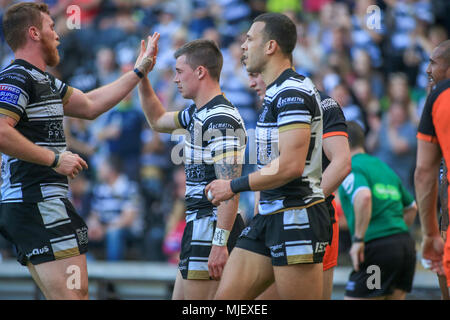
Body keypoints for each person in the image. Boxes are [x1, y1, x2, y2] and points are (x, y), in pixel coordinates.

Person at [0, 2, 156, 299]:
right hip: (35, 201)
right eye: (51, 28)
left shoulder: (45, 81)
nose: (58, 35)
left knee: (77, 293)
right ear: (34, 33)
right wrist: (54, 158)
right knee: (73, 296)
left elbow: (90, 105)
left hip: (47, 201)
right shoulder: (16, 76)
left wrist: (139, 71)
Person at [206, 12, 331, 299]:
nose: (243, 46)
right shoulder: (274, 92)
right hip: (268, 216)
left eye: (250, 39)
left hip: (296, 216)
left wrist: (232, 186)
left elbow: (290, 166)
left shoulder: (292, 91)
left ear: (271, 46)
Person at [137, 36, 247, 300]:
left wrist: (220, 244)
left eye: (179, 72)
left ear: (200, 72)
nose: (175, 79)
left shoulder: (220, 118)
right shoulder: (196, 113)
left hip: (210, 227)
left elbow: (229, 190)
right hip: (197, 225)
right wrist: (141, 75)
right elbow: (157, 120)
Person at [247, 72, 351, 299]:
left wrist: (303, 203)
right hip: (270, 219)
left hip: (309, 219)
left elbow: (342, 162)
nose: (251, 83)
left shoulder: (323, 102)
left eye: (255, 75)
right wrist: (258, 216)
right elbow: (264, 171)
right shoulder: (266, 109)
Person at [338, 121, 417, 300]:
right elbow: (412, 207)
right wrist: (394, 232)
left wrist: (358, 240)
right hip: (405, 246)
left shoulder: (351, 167)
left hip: (377, 249)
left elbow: (363, 196)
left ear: (341, 141)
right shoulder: (382, 166)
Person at [414, 39, 450, 294]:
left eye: (433, 62)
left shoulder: (440, 97)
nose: (427, 70)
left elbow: (424, 172)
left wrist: (430, 233)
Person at [86, 156, 141, 261]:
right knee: (82, 230)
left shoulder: (130, 187)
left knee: (114, 233)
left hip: (127, 230)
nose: (99, 170)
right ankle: (89, 267)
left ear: (111, 170)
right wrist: (93, 225)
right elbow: (94, 215)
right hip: (105, 228)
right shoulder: (100, 189)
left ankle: (112, 272)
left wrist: (104, 230)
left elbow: (128, 220)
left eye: (102, 166)